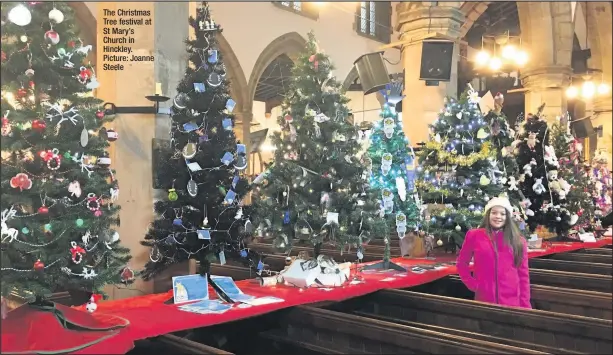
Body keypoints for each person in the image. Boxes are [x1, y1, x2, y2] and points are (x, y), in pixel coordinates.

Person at [456, 196, 531, 309]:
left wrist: (525, 306)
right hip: (484, 301)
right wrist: (473, 285)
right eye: (494, 213)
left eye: (502, 214)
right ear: (488, 214)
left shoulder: (519, 241)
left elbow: (523, 275)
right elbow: (461, 264)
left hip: (511, 303)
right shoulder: (474, 235)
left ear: (508, 217)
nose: (498, 217)